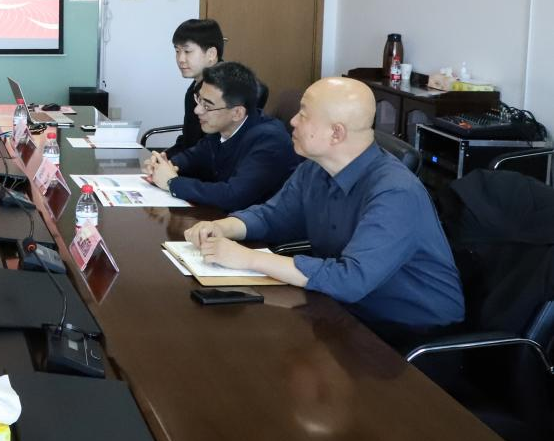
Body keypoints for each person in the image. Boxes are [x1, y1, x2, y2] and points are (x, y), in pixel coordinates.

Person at [184, 77, 464, 334]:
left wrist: (248, 259)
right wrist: (223, 227)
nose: (293, 121)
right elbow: (273, 216)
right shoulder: (316, 168)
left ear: (336, 134)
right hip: (343, 309)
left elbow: (350, 280)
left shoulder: (395, 192)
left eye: (303, 115)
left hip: (409, 334)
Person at [144, 61, 300, 212]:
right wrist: (163, 165)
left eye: (207, 105)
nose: (197, 110)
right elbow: (193, 157)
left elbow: (233, 196)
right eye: (199, 99)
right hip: (223, 218)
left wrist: (172, 183)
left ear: (237, 113)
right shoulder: (222, 127)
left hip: (259, 227)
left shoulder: (270, 141)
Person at [165, 18, 224, 159]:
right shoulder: (197, 86)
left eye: (187, 51)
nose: (180, 59)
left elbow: (207, 149)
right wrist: (164, 157)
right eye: (177, 51)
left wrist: (173, 163)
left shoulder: (221, 88)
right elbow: (189, 139)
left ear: (211, 54)